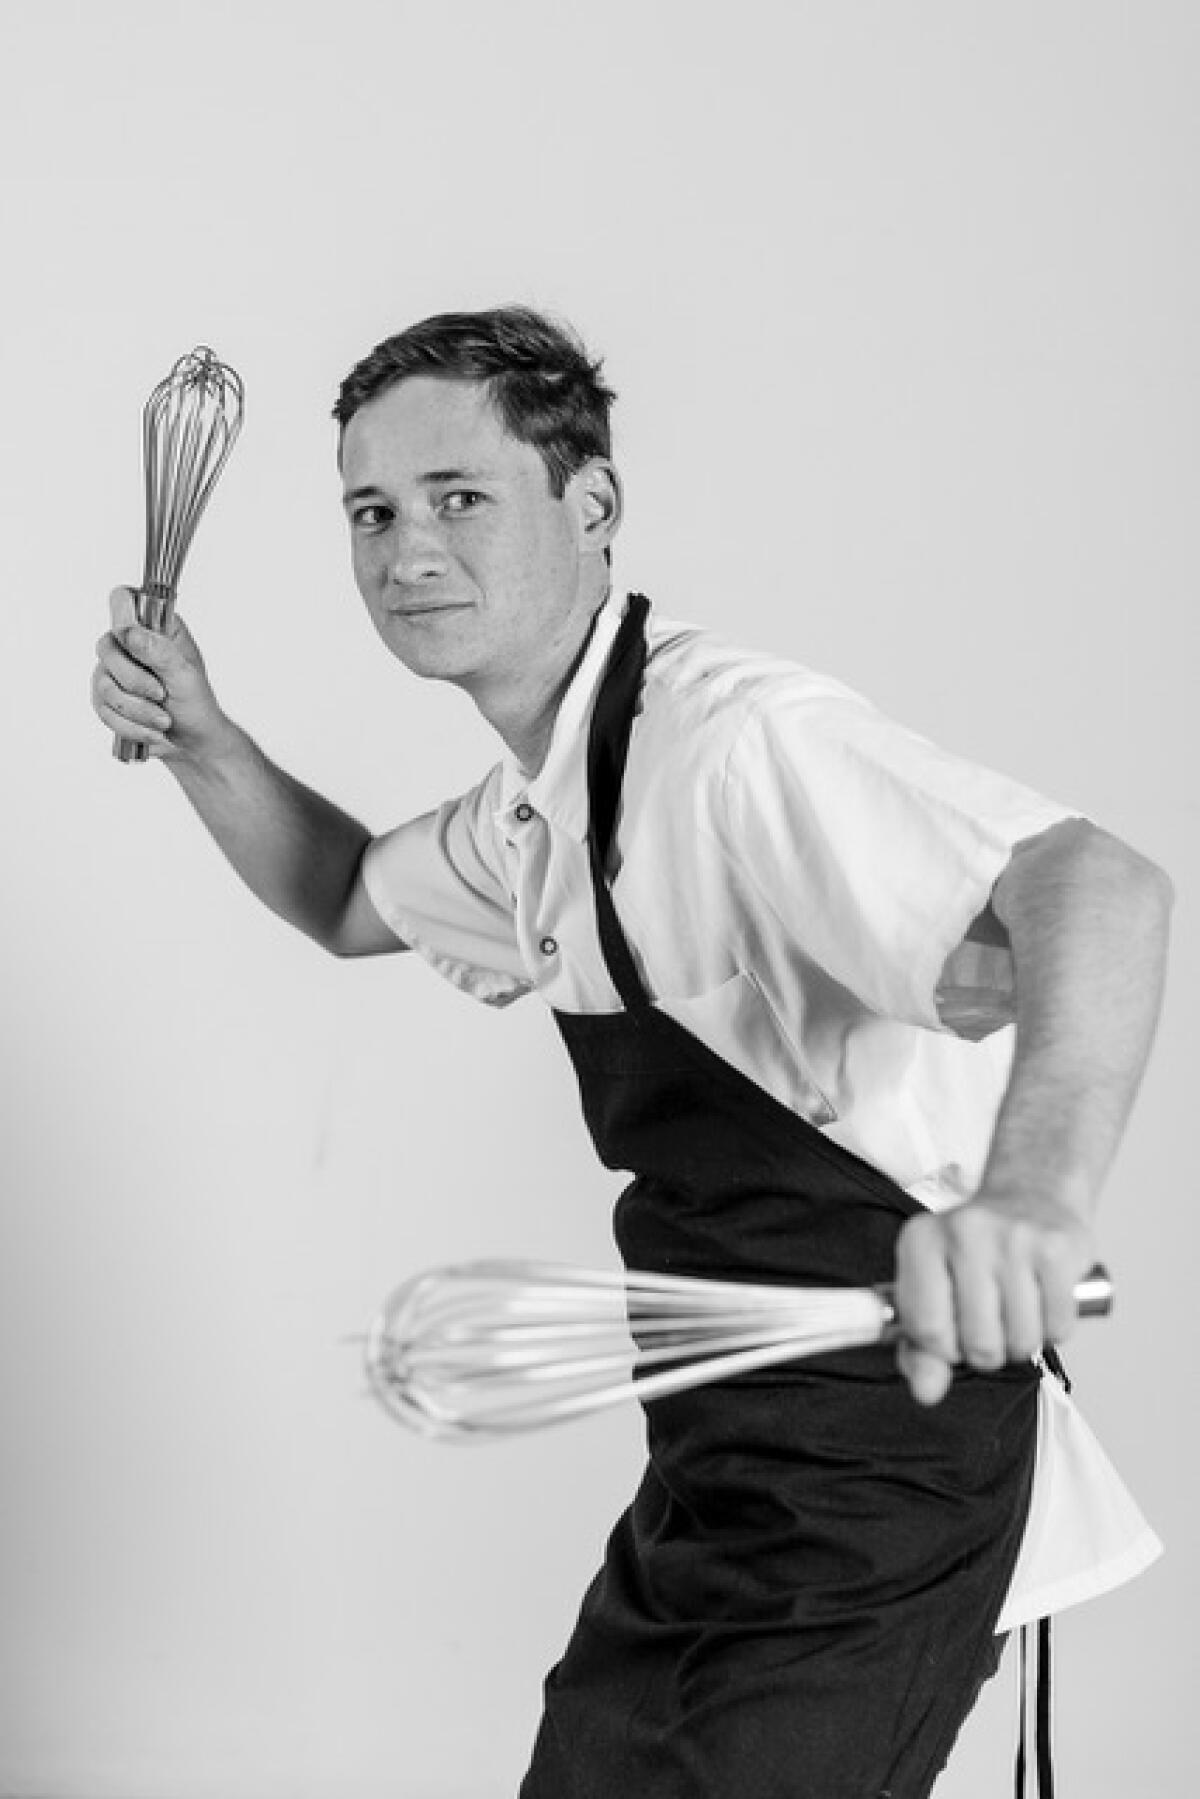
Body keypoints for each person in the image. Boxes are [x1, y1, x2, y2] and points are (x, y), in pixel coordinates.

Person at [91, 306, 1172, 1798]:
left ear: (590, 507)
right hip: (720, 1466)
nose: (407, 548)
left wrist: (1035, 1197)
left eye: (459, 496)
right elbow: (346, 899)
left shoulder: (727, 745)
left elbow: (1095, 885)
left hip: (885, 1473)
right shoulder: (541, 807)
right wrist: (205, 734)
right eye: (371, 510)